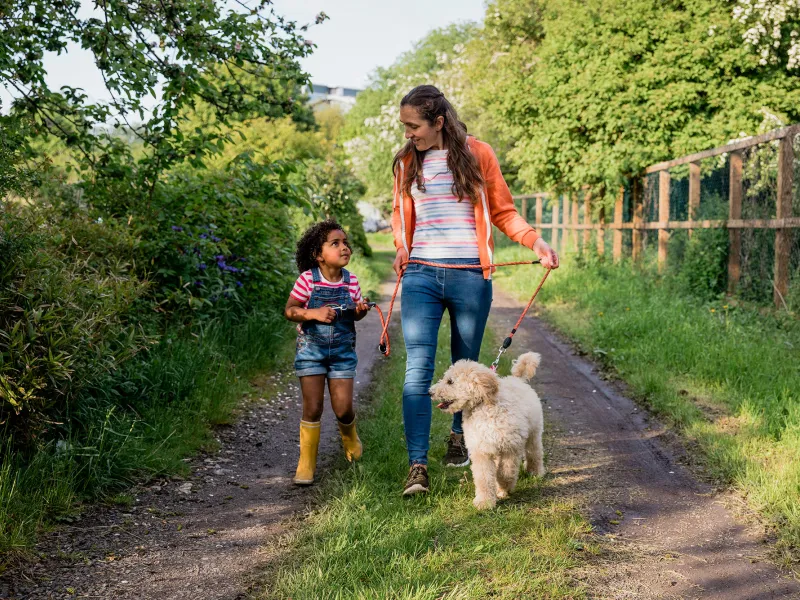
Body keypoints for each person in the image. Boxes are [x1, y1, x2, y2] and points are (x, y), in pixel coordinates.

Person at [391, 85, 559, 496]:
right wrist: (401, 247)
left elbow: (503, 211)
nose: (408, 133)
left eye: (414, 126)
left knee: (463, 366)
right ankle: (417, 466)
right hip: (421, 276)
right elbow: (399, 212)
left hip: (470, 275)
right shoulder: (406, 162)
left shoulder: (478, 154)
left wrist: (535, 242)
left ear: (439, 122)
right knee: (418, 369)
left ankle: (457, 435)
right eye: (405, 126)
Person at [284, 220, 371, 485]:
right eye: (335, 243)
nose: (344, 247)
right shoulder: (307, 280)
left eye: (345, 242)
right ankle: (306, 463)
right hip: (311, 350)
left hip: (342, 353)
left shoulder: (351, 281)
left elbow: (353, 317)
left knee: (343, 409)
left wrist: (359, 312)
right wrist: (313, 313)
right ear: (318, 255)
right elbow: (290, 310)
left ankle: (351, 439)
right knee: (313, 407)